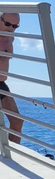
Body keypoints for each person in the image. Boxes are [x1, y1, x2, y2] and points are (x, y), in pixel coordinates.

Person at [0, 12, 23, 143]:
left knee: (17, 121)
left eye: (15, 26)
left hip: (2, 84)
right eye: (8, 24)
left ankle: (12, 156)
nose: (11, 28)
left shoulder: (10, 37)